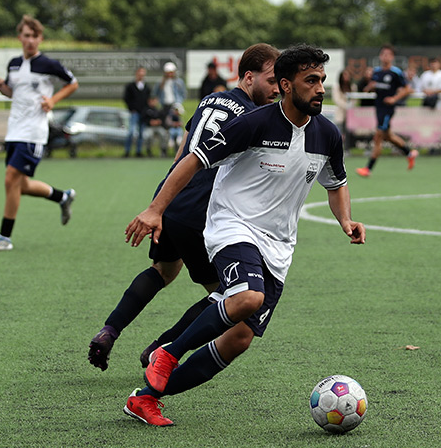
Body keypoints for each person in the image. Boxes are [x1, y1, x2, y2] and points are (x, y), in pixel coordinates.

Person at [122, 44, 365, 426]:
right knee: (246, 297)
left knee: (238, 340)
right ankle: (168, 352)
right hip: (232, 226)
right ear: (286, 85)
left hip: (279, 246)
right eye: (311, 80)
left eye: (322, 80)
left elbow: (336, 184)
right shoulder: (254, 124)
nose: (320, 89)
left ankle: (147, 398)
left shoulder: (327, 135)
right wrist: (155, 209)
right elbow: (192, 159)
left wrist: (346, 221)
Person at [88, 44, 281, 371]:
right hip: (203, 212)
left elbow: (183, 152)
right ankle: (161, 349)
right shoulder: (253, 117)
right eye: (273, 79)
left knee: (163, 270)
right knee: (229, 295)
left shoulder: (209, 99)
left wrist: (158, 205)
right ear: (248, 77)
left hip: (170, 198)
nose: (277, 88)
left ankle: (110, 329)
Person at [0, 15, 78, 251]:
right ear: (20, 38)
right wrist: (0, 87)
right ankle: (62, 197)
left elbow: (73, 83)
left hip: (33, 132)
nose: (30, 40)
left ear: (40, 39)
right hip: (14, 130)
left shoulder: (48, 64)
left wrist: (53, 100)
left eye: (35, 36)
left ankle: (4, 238)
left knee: (10, 179)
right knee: (20, 185)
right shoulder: (14, 64)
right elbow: (12, 93)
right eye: (26, 35)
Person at [357, 44, 417, 177]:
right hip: (378, 108)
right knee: (388, 136)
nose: (386, 56)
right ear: (380, 56)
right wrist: (370, 87)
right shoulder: (376, 72)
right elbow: (373, 88)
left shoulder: (396, 72)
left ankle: (368, 168)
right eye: (383, 54)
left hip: (387, 109)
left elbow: (407, 89)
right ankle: (409, 153)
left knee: (378, 136)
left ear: (392, 57)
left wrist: (394, 98)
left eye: (388, 54)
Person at [155, 62, 187, 152]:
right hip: (165, 106)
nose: (169, 74)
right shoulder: (161, 82)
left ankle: (177, 150)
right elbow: (156, 93)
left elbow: (183, 93)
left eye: (171, 72)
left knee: (177, 126)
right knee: (165, 127)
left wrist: (179, 103)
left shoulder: (178, 82)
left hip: (175, 106)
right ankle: (164, 149)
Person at [122, 66, 151, 158]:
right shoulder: (130, 86)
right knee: (131, 132)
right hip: (134, 113)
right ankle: (127, 151)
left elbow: (149, 100)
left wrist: (146, 110)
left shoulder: (147, 87)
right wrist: (132, 108)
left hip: (143, 113)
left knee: (141, 133)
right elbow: (126, 98)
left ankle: (138, 151)